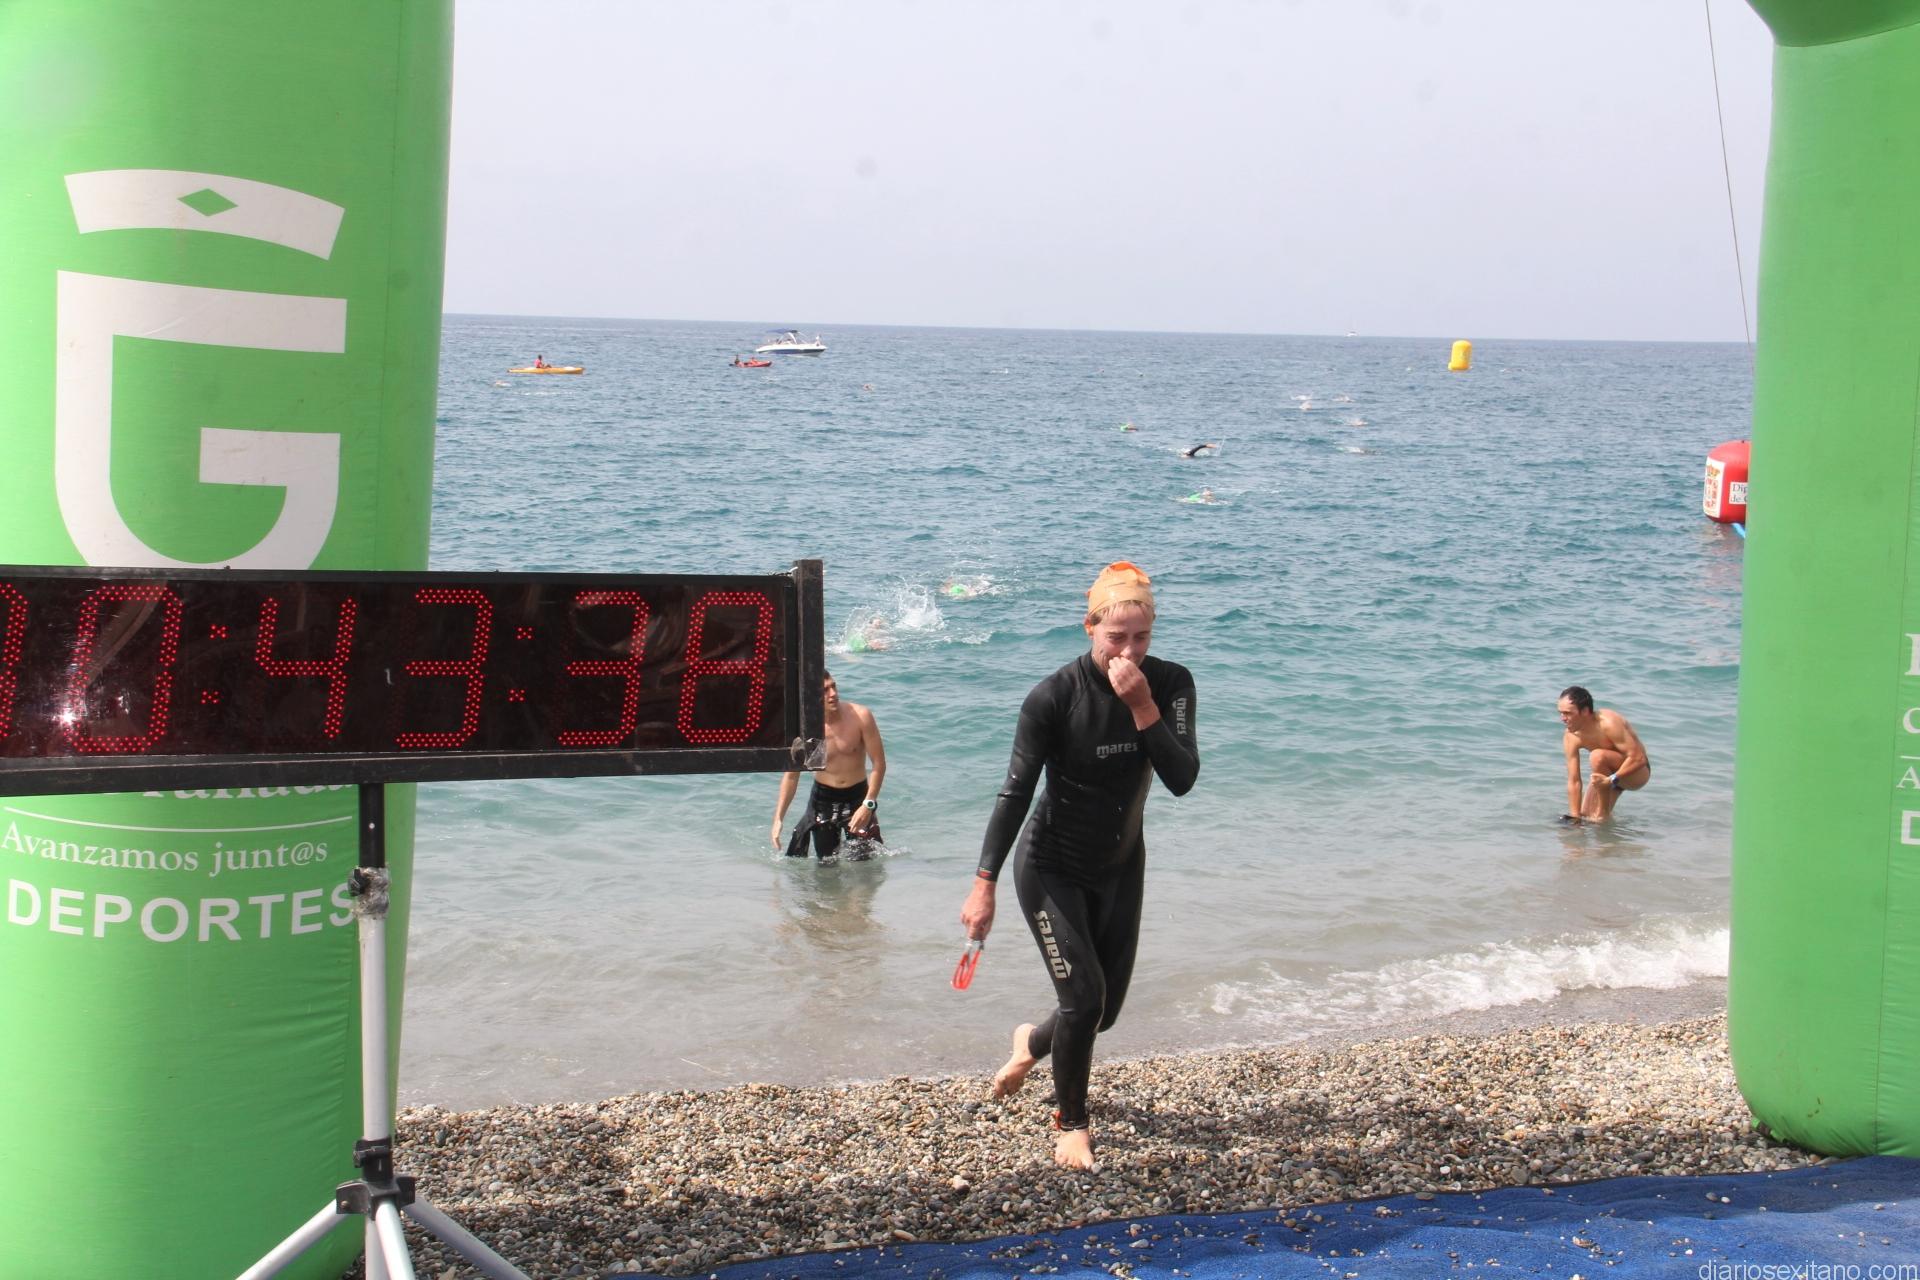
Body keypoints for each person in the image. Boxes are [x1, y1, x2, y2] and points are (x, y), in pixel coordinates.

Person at [958, 561, 1199, 1169]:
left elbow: (1182, 778)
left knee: (1102, 1013)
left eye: (1141, 637)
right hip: (1051, 865)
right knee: (1084, 1001)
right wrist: (983, 885)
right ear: (1089, 627)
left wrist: (1143, 706)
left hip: (1120, 863)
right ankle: (1072, 1124)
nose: (1129, 651)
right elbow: (1014, 792)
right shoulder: (1054, 696)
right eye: (1116, 637)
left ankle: (1030, 1043)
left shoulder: (1169, 684)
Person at [772, 672, 886, 860]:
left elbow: (879, 764)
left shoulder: (860, 716)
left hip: (858, 797)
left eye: (833, 686)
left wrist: (868, 804)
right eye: (824, 690)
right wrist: (778, 818)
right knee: (826, 863)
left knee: (864, 862)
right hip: (823, 800)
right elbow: (791, 776)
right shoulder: (805, 728)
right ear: (811, 696)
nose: (833, 693)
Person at [1558, 685, 1649, 822]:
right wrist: (1574, 817)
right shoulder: (1570, 736)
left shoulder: (1608, 722)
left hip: (1637, 773)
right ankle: (1603, 824)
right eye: (1561, 713)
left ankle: (1603, 813)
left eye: (1568, 713)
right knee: (1585, 817)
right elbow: (1574, 781)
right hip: (1607, 778)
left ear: (1585, 711)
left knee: (1597, 756)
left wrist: (1612, 779)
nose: (1563, 718)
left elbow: (1639, 758)